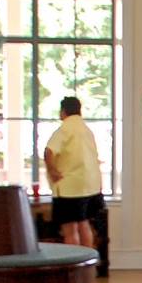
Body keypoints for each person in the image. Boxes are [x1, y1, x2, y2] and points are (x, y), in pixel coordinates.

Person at [43, 95, 101, 249]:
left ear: (63, 112)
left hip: (69, 188)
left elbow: (49, 151)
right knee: (84, 224)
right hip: (90, 186)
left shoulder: (65, 129)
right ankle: (88, 267)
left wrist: (52, 170)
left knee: (70, 229)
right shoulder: (87, 130)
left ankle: (74, 268)